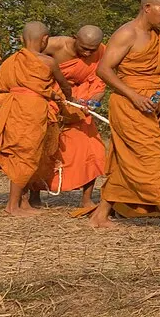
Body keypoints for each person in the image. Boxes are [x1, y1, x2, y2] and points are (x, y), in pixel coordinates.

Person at [90, 0, 160, 230]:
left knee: (128, 161)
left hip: (153, 107)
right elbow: (104, 69)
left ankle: (100, 215)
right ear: (147, 8)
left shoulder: (159, 38)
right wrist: (133, 95)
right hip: (129, 106)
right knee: (152, 158)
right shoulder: (127, 33)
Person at [0, 22, 73, 215]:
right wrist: (66, 98)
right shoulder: (48, 62)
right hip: (32, 109)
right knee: (26, 155)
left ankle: (23, 202)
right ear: (45, 39)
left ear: (23, 39)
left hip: (13, 108)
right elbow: (64, 85)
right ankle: (12, 205)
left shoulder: (11, 60)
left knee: (20, 153)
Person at [44, 26, 110, 206]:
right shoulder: (54, 45)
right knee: (45, 148)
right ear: (74, 38)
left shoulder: (102, 51)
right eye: (84, 48)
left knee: (93, 149)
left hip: (82, 103)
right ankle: (32, 195)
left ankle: (86, 199)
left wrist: (92, 102)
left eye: (92, 49)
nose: (88, 53)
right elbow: (29, 57)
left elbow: (100, 82)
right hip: (53, 98)